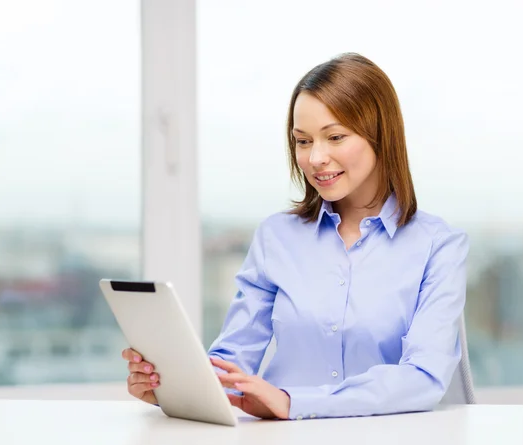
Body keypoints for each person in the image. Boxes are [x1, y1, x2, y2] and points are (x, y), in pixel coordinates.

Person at [122, 52, 469, 421]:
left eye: (334, 137)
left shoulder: (439, 246)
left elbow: (423, 378)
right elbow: (232, 361)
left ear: (381, 136)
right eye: (303, 142)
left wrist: (293, 402)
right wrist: (171, 385)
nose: (315, 157)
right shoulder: (276, 237)